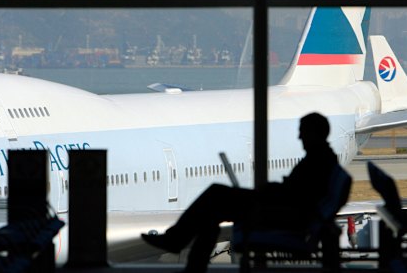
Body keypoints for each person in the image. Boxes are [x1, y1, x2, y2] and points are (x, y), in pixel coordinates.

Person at [141, 112, 340, 273]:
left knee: (215, 195)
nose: (299, 137)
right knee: (211, 212)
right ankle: (187, 255)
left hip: (279, 213)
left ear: (315, 134)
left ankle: (178, 243)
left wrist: (270, 191)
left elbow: (299, 196)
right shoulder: (323, 160)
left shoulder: (318, 162)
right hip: (282, 209)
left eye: (303, 132)